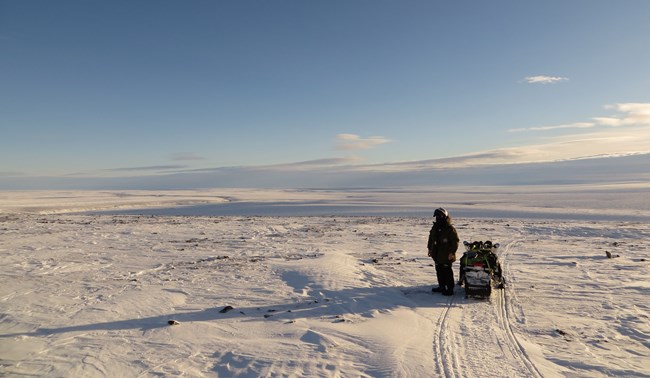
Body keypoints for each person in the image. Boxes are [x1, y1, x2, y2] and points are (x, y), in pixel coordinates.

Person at [427, 208, 459, 296]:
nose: (438, 218)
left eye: (440, 216)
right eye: (436, 216)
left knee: (447, 271)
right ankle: (441, 286)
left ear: (444, 216)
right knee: (439, 270)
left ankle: (450, 288)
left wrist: (452, 252)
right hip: (436, 253)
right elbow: (431, 238)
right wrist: (430, 248)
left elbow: (455, 242)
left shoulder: (449, 229)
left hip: (446, 254)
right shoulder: (435, 227)